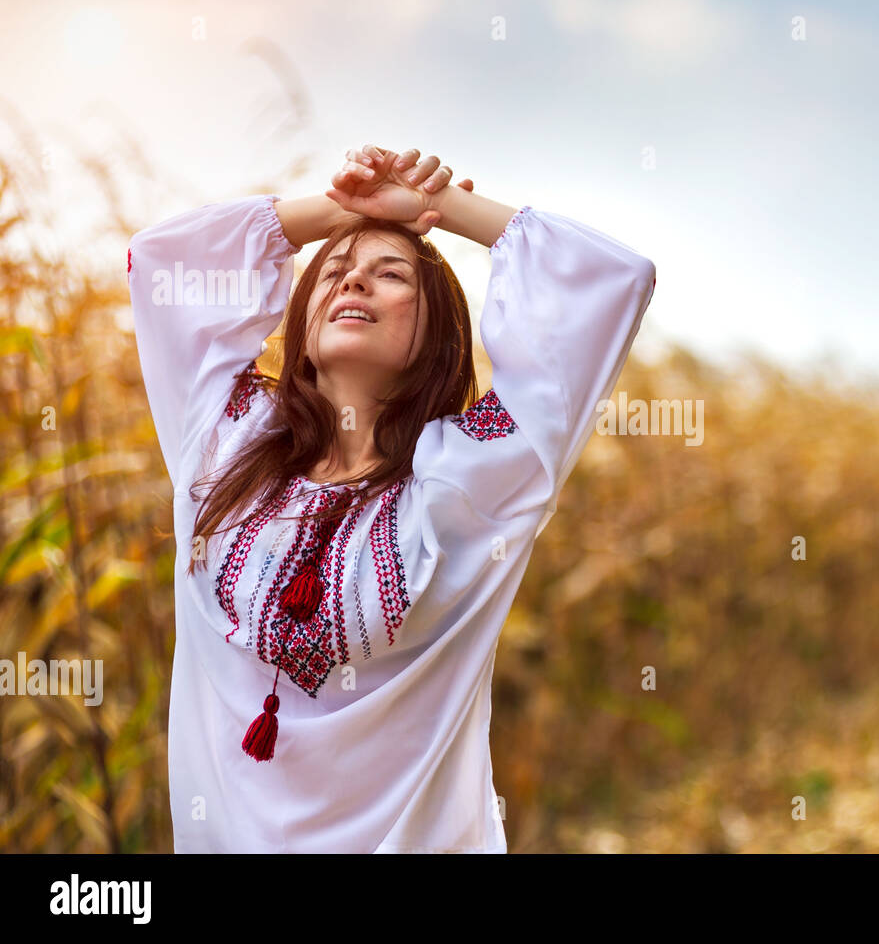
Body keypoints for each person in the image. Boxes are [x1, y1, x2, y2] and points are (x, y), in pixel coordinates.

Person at [127, 144, 656, 852]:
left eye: (390, 273)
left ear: (435, 327)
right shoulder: (225, 441)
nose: (354, 283)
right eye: (335, 272)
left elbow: (612, 280)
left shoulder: (468, 483)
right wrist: (344, 210)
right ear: (305, 319)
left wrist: (441, 211)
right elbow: (163, 266)